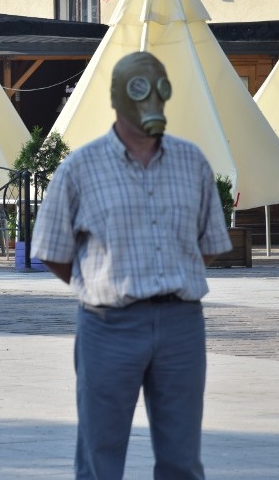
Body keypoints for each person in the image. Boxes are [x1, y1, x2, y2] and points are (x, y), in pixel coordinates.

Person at [31, 51, 232, 480]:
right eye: (141, 88)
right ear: (119, 96)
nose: (152, 100)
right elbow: (51, 249)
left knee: (182, 459)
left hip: (181, 325)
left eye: (160, 88)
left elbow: (210, 242)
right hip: (108, 325)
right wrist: (102, 284)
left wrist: (173, 274)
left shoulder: (192, 162)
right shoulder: (79, 168)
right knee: (100, 456)